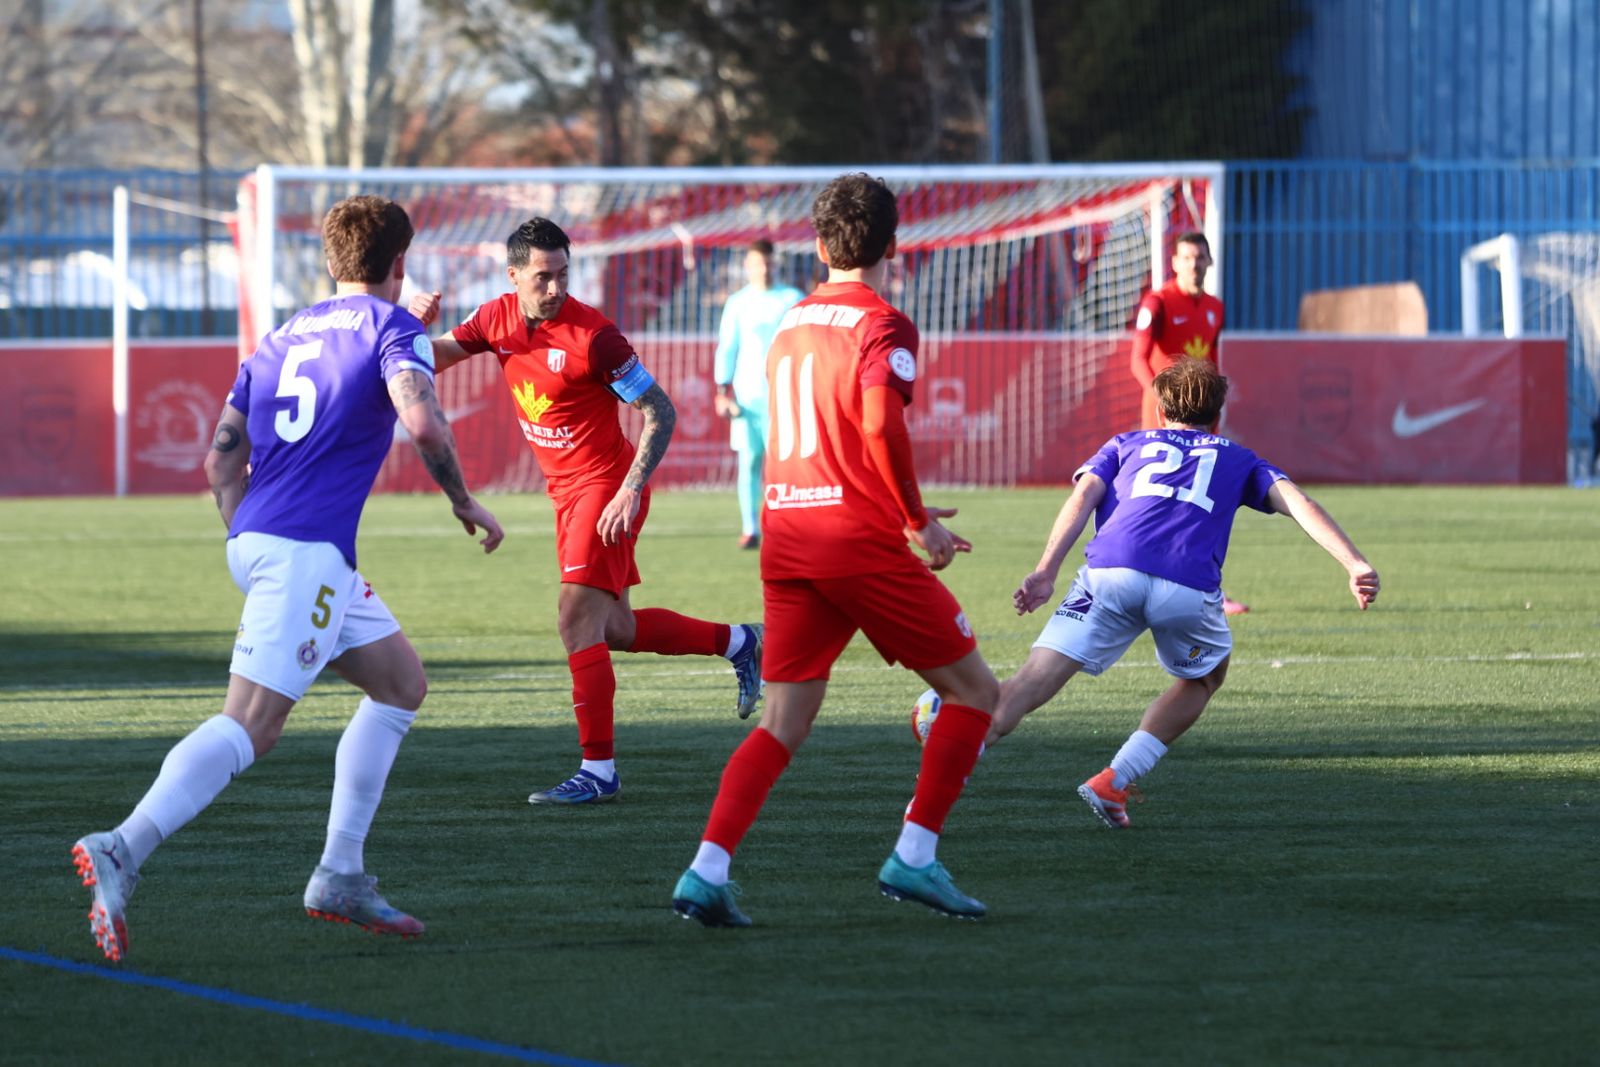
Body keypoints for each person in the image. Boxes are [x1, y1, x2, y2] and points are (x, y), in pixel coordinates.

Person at [70, 195, 505, 961]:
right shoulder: (390, 327)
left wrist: (250, 536)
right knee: (252, 724)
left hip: (268, 538)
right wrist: (463, 498)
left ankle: (340, 873)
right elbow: (424, 420)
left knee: (401, 683)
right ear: (400, 263)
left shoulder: (279, 336)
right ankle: (122, 847)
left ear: (329, 262)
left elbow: (219, 461)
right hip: (306, 551)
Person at [670, 172, 1001, 928]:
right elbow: (880, 426)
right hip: (855, 541)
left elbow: (831, 436)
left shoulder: (789, 321)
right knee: (975, 693)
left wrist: (892, 503)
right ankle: (914, 856)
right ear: (893, 245)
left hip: (787, 532)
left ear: (818, 247)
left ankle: (705, 869)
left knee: (783, 718)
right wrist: (917, 521)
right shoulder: (881, 322)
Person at [408, 218, 765, 807]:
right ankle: (740, 642)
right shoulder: (495, 317)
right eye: (543, 277)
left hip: (608, 486)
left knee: (575, 620)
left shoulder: (595, 337)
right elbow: (440, 356)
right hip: (566, 495)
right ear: (514, 275)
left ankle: (598, 772)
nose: (554, 288)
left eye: (563, 275)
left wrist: (630, 488)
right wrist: (410, 327)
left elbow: (661, 411)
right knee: (614, 630)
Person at [987, 358, 1379, 828]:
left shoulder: (1125, 443)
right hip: (1186, 588)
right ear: (1217, 415)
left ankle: (949, 747)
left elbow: (1082, 497)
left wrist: (1045, 570)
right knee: (1204, 678)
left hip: (1110, 574)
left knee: (1029, 684)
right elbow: (1301, 504)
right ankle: (1115, 780)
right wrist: (1353, 562)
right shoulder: (1239, 457)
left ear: (1158, 409)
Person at [1128, 230, 1249, 615]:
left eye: (1200, 257)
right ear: (1175, 262)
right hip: (1164, 419)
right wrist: (1163, 398)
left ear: (1209, 261)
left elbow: (1211, 356)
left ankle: (1209, 588)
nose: (1194, 264)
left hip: (1201, 417)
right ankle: (1135, 583)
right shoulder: (1159, 302)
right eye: (1187, 257)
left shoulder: (1215, 306)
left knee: (1205, 503)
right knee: (1156, 502)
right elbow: (1138, 359)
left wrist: (1215, 403)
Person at [713, 238, 804, 549]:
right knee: (749, 461)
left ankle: (783, 525)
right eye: (756, 263)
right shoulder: (738, 302)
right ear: (747, 267)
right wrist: (722, 390)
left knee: (784, 464)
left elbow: (804, 346)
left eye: (767, 263)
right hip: (747, 399)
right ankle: (750, 527)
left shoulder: (792, 299)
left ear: (775, 264)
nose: (763, 269)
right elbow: (728, 346)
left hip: (785, 397)